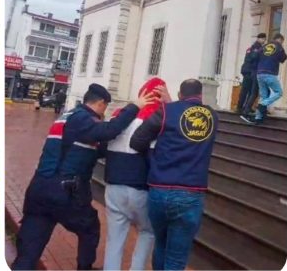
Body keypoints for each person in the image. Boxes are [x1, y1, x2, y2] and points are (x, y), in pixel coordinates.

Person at [11, 84, 155, 270]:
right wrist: (135, 106)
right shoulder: (83, 119)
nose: (104, 114)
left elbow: (95, 148)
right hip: (64, 192)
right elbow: (108, 131)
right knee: (89, 229)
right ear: (101, 103)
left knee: (30, 248)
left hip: (39, 189)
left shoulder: (68, 117)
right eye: (105, 108)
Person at [130, 79, 218, 270]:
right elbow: (186, 118)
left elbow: (136, 141)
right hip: (191, 192)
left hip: (160, 189)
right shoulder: (212, 116)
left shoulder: (166, 112)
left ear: (180, 94)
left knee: (161, 245)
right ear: (201, 95)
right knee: (176, 259)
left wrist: (154, 156)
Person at [102, 77, 166, 270]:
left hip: (113, 184)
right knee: (148, 232)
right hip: (141, 188)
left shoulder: (119, 115)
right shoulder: (159, 120)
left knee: (114, 238)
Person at [243, 33, 286, 125]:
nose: (282, 43)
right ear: (280, 39)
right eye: (282, 41)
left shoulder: (264, 46)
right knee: (279, 92)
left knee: (263, 95)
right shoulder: (279, 46)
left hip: (259, 74)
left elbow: (255, 56)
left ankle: (258, 118)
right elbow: (283, 58)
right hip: (270, 73)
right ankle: (262, 105)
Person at [237, 33, 266, 117]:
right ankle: (244, 108)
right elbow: (254, 57)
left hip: (246, 71)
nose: (264, 41)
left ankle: (240, 107)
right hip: (251, 71)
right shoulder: (257, 48)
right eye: (263, 39)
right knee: (250, 91)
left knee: (245, 90)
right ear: (260, 39)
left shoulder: (251, 48)